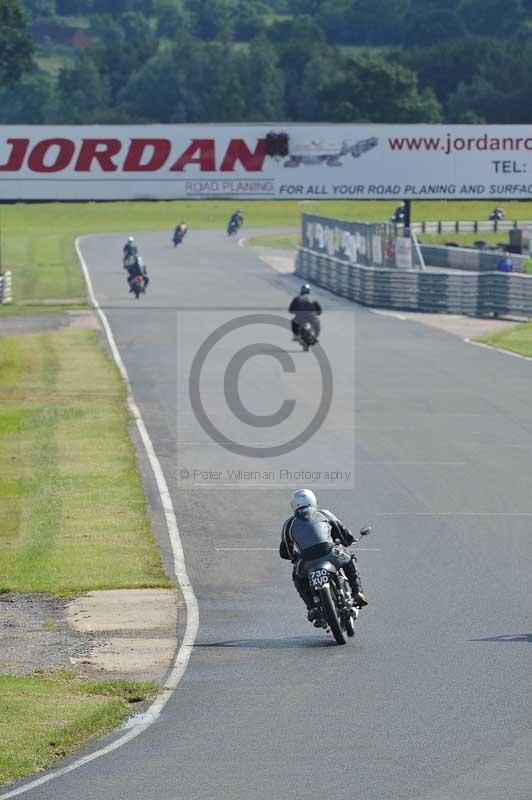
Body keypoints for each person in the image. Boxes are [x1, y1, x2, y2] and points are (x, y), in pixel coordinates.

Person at [280, 489, 368, 625]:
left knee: (298, 578)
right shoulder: (324, 514)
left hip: (307, 560)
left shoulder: (289, 524)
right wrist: (347, 541)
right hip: (329, 553)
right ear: (313, 501)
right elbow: (341, 531)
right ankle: (357, 593)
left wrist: (294, 557)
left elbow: (286, 550)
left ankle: (312, 608)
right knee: (349, 560)